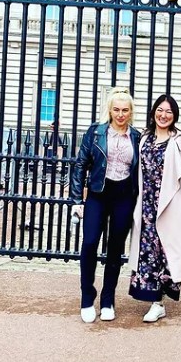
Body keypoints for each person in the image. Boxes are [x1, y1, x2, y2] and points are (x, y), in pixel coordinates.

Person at [70, 88, 141, 323]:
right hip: (99, 193)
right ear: (109, 110)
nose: (120, 114)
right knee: (89, 242)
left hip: (124, 195)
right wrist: (76, 200)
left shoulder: (137, 137)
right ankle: (87, 297)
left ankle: (108, 299)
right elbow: (80, 165)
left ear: (131, 112)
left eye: (125, 110)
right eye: (116, 109)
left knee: (115, 248)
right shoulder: (96, 132)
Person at [128, 94, 181, 323]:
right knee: (148, 253)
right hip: (147, 204)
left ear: (174, 116)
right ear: (153, 111)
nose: (163, 115)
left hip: (171, 204)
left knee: (167, 253)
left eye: (169, 111)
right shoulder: (144, 138)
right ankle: (154, 300)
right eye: (160, 110)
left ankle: (159, 302)